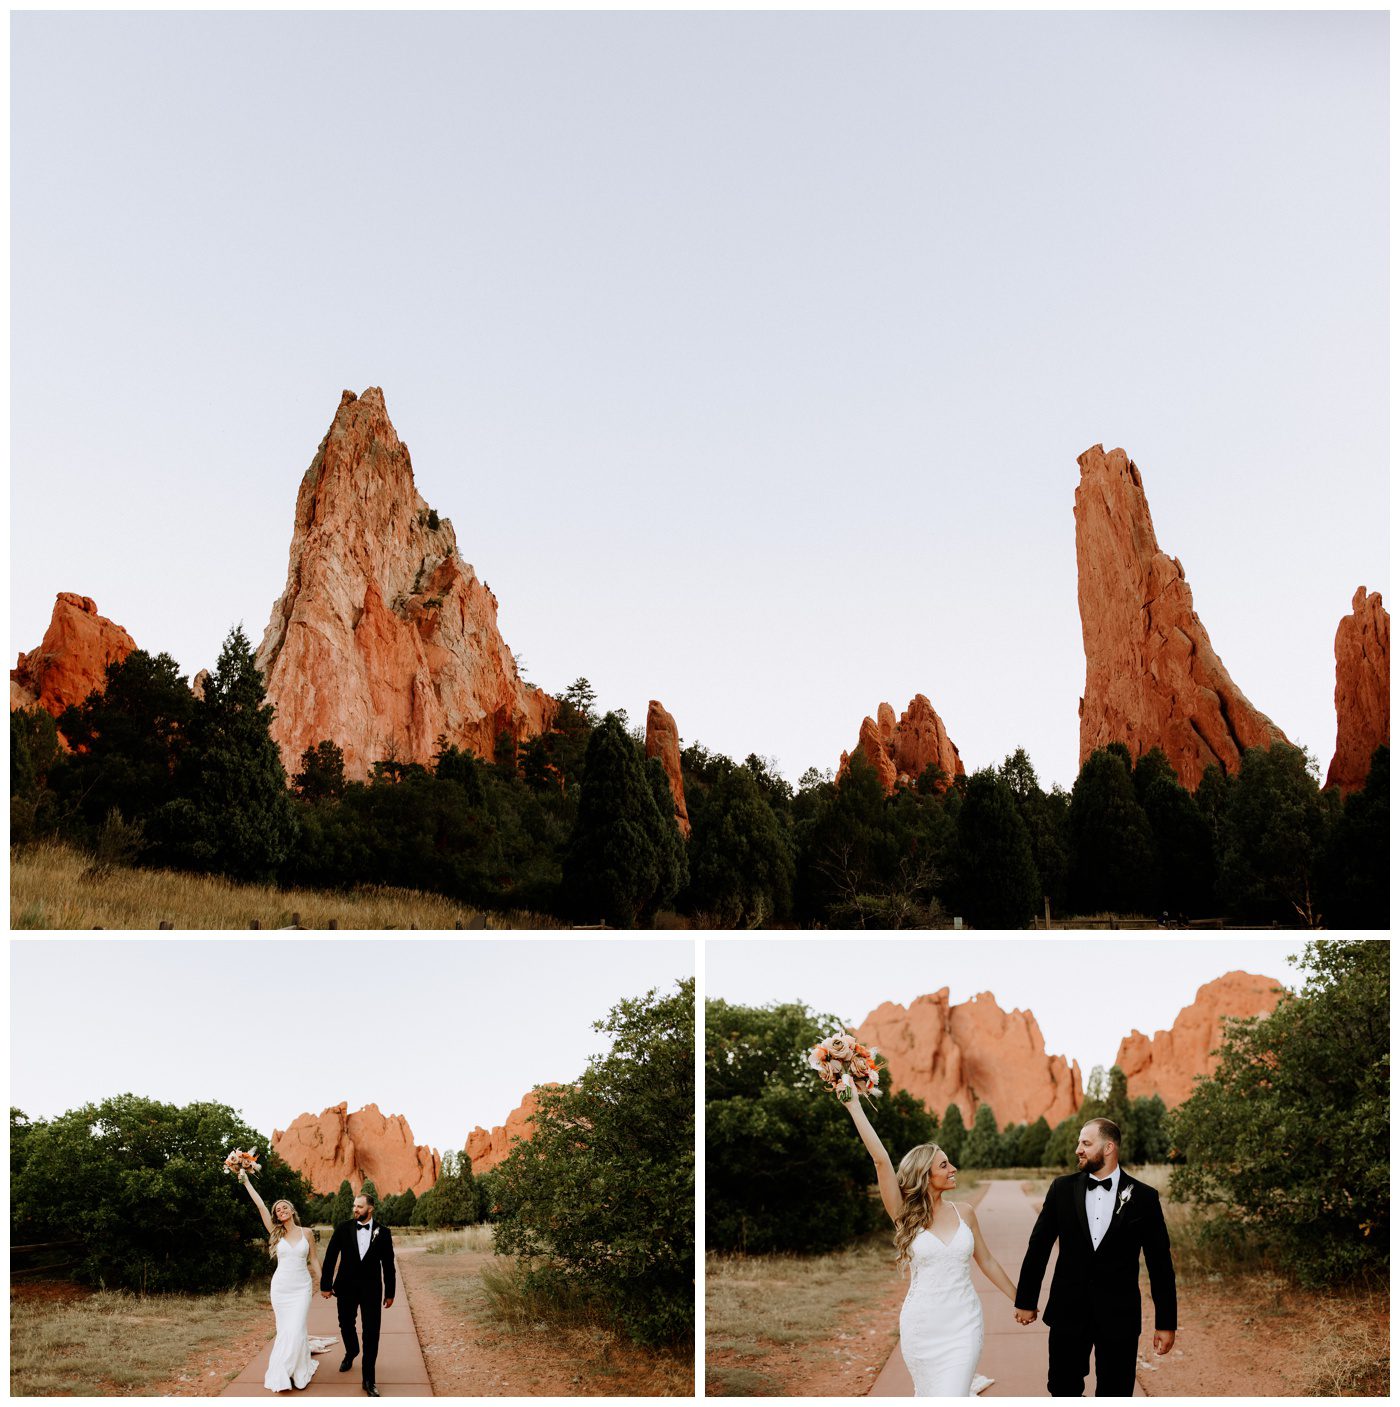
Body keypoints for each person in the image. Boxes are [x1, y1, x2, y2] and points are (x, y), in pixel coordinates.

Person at [845, 1093, 1021, 1396]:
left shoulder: (964, 1212)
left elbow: (987, 1261)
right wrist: (853, 1104)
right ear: (926, 1175)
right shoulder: (904, 1215)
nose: (953, 1168)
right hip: (922, 1326)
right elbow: (880, 1160)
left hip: (965, 1322)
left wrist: (1020, 1299)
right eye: (944, 1164)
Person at [1014, 1117, 1177, 1396]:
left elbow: (1160, 1264)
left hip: (1119, 1317)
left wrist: (1166, 1322)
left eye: (1086, 1143)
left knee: (1116, 1392)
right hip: (1068, 1312)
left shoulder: (1144, 1197)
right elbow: (1038, 1247)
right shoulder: (1061, 1189)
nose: (1078, 1149)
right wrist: (1026, 1300)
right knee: (1062, 1390)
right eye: (1079, 1142)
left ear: (1109, 1147)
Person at [238, 1171, 330, 1393]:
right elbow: (260, 1206)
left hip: (301, 1288)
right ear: (276, 1216)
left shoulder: (307, 1233)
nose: (281, 1210)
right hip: (281, 1288)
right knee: (285, 1330)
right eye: (277, 1209)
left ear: (292, 1210)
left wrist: (324, 1284)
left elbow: (315, 1260)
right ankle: (283, 1372)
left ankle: (294, 1369)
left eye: (284, 1207)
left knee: (297, 1329)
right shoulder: (275, 1233)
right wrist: (246, 1182)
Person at [320, 1190, 396, 1398]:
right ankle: (352, 1350)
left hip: (372, 1289)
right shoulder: (343, 1228)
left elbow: (388, 1265)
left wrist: (390, 1292)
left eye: (359, 1206)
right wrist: (325, 1284)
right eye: (354, 1206)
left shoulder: (384, 1232)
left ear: (370, 1209)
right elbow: (330, 1257)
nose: (355, 1209)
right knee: (345, 1324)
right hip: (345, 1286)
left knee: (372, 1332)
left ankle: (368, 1380)